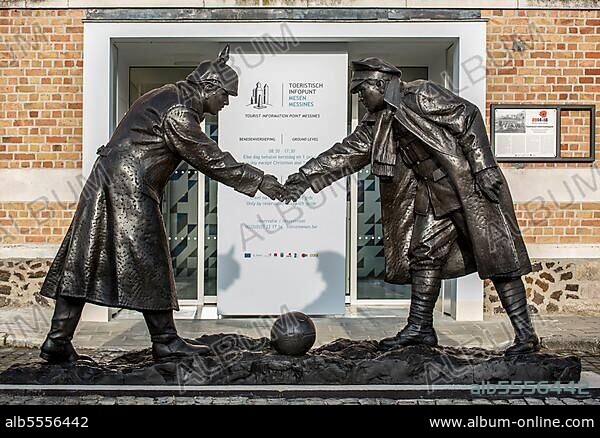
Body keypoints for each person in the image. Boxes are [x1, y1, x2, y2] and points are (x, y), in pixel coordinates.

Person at [39, 46, 287, 363]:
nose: (224, 104)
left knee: (85, 261)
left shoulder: (169, 95)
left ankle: (57, 341)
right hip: (128, 190)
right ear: (209, 86)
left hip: (110, 184)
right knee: (149, 259)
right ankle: (166, 341)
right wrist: (261, 180)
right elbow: (208, 158)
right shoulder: (178, 111)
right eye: (225, 96)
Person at [284, 57, 539, 356]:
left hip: (467, 187)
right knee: (424, 255)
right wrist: (303, 178)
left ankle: (526, 336)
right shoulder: (377, 121)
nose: (360, 97)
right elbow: (346, 153)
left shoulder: (420, 94)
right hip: (432, 193)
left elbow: (467, 116)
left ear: (379, 84)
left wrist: (484, 167)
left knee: (497, 257)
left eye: (362, 90)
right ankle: (420, 328)